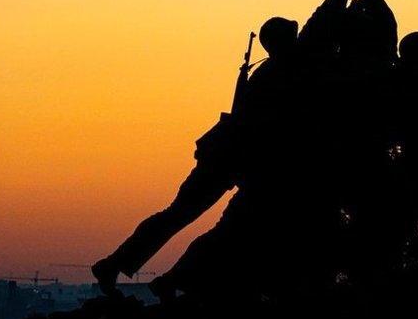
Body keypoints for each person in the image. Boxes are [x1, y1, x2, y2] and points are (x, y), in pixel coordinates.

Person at [91, 17, 300, 296]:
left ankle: (140, 271)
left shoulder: (276, 70)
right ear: (282, 43)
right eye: (291, 37)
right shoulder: (274, 74)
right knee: (180, 216)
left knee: (189, 218)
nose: (297, 41)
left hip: (235, 160)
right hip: (227, 160)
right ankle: (120, 266)